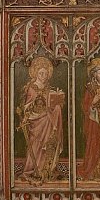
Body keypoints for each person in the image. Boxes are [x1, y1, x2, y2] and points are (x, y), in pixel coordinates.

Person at [17, 55, 65, 184]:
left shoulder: (49, 88)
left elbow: (52, 104)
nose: (43, 76)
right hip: (36, 121)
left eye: (45, 73)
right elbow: (26, 106)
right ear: (36, 74)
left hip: (49, 122)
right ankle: (32, 170)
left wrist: (58, 100)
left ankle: (47, 170)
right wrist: (37, 104)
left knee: (49, 144)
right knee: (36, 145)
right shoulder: (31, 88)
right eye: (41, 73)